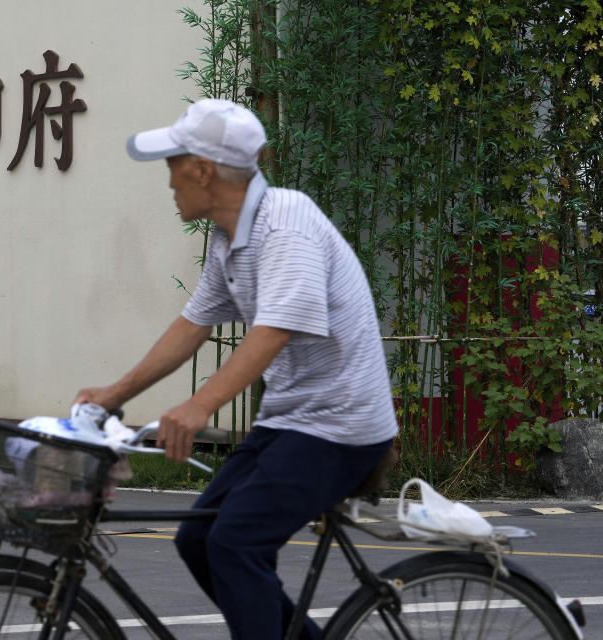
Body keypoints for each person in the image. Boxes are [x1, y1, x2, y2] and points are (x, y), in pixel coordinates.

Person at [75, 99, 398, 640]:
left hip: (339, 428)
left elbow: (272, 332)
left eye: (174, 165)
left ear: (202, 170)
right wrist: (115, 392)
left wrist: (199, 406)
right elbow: (192, 324)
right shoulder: (230, 238)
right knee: (198, 540)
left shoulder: (286, 226)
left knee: (234, 544)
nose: (169, 181)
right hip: (292, 421)